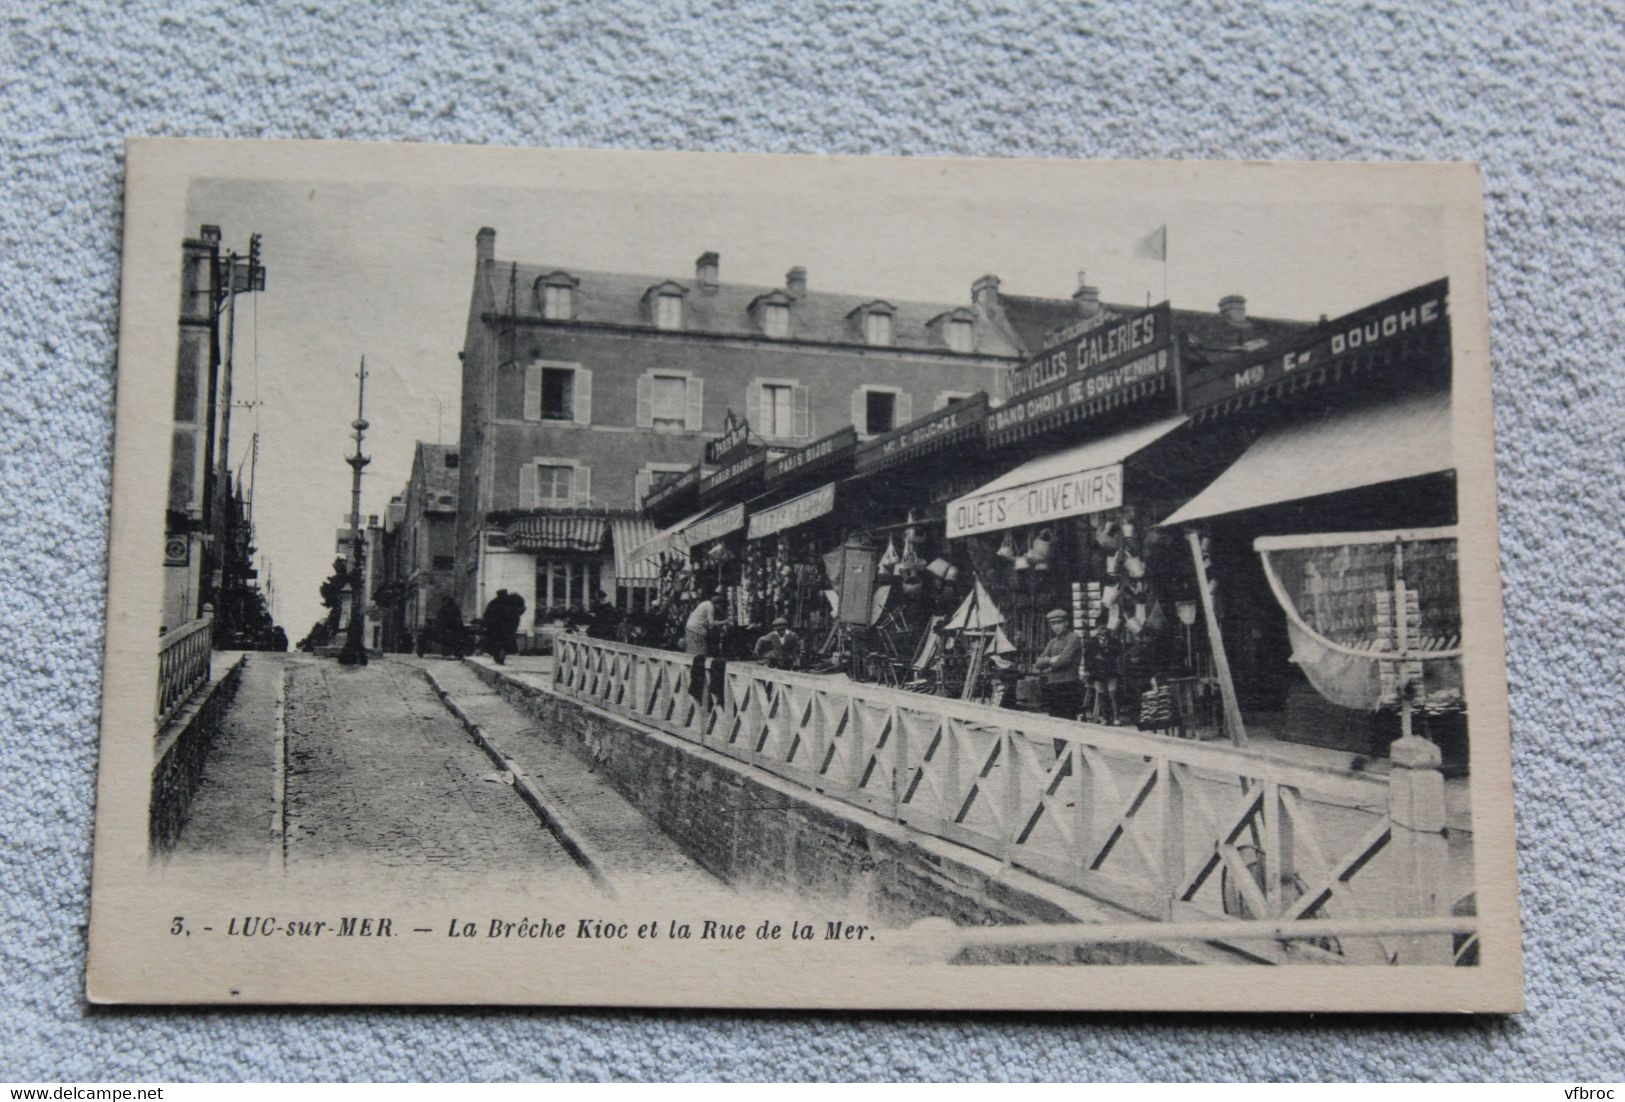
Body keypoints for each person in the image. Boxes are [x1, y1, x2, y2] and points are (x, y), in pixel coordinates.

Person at [1033, 608, 1083, 720]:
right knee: (1054, 719)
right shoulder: (1053, 641)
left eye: (1059, 623)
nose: (1055, 627)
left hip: (1068, 684)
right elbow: (1038, 663)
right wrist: (1051, 660)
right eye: (1052, 624)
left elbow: (1064, 661)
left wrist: (1049, 662)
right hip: (1053, 684)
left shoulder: (1074, 638)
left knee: (1068, 719)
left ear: (1066, 622)